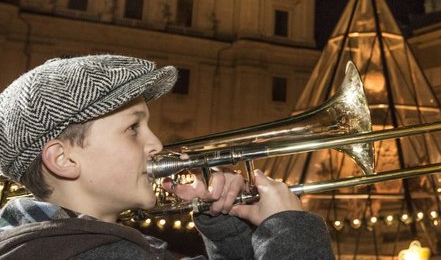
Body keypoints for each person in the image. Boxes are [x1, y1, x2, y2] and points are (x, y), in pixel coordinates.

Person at [0, 54, 334, 259]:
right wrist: (290, 228)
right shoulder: (100, 253)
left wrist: (225, 229)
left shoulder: (55, 241)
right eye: (133, 128)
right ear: (63, 160)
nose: (157, 143)